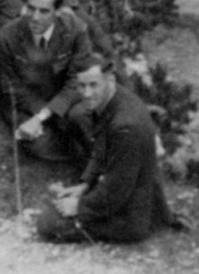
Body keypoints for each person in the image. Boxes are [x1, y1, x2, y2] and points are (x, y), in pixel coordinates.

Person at [37, 56, 175, 245]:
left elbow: (118, 188)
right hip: (136, 194)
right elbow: (101, 147)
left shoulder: (125, 125)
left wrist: (80, 206)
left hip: (131, 217)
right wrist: (85, 184)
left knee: (48, 222)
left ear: (109, 80)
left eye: (93, 85)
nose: (86, 93)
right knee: (55, 208)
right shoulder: (115, 98)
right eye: (81, 86)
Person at [0, 0, 95, 163]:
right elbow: (11, 87)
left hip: (62, 95)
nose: (35, 17)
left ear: (57, 12)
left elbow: (77, 80)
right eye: (31, 8)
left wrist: (46, 115)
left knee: (80, 116)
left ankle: (94, 157)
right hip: (27, 101)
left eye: (44, 11)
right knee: (38, 143)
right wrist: (39, 116)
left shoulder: (75, 30)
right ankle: (79, 152)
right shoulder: (7, 35)